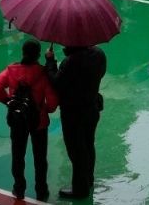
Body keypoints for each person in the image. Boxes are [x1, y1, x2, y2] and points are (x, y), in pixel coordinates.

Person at [0, 40, 59, 201]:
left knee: (17, 155)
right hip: (39, 122)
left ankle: (19, 188)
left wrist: (7, 101)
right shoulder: (43, 74)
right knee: (40, 158)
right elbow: (52, 102)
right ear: (37, 54)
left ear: (23, 52)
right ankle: (41, 190)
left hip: (18, 119)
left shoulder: (12, 70)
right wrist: (45, 110)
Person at [45, 44, 107, 200]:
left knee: (76, 151)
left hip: (73, 112)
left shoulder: (70, 61)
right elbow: (101, 73)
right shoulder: (99, 54)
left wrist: (50, 62)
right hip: (92, 108)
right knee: (88, 144)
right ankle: (88, 179)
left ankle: (80, 189)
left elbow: (56, 83)